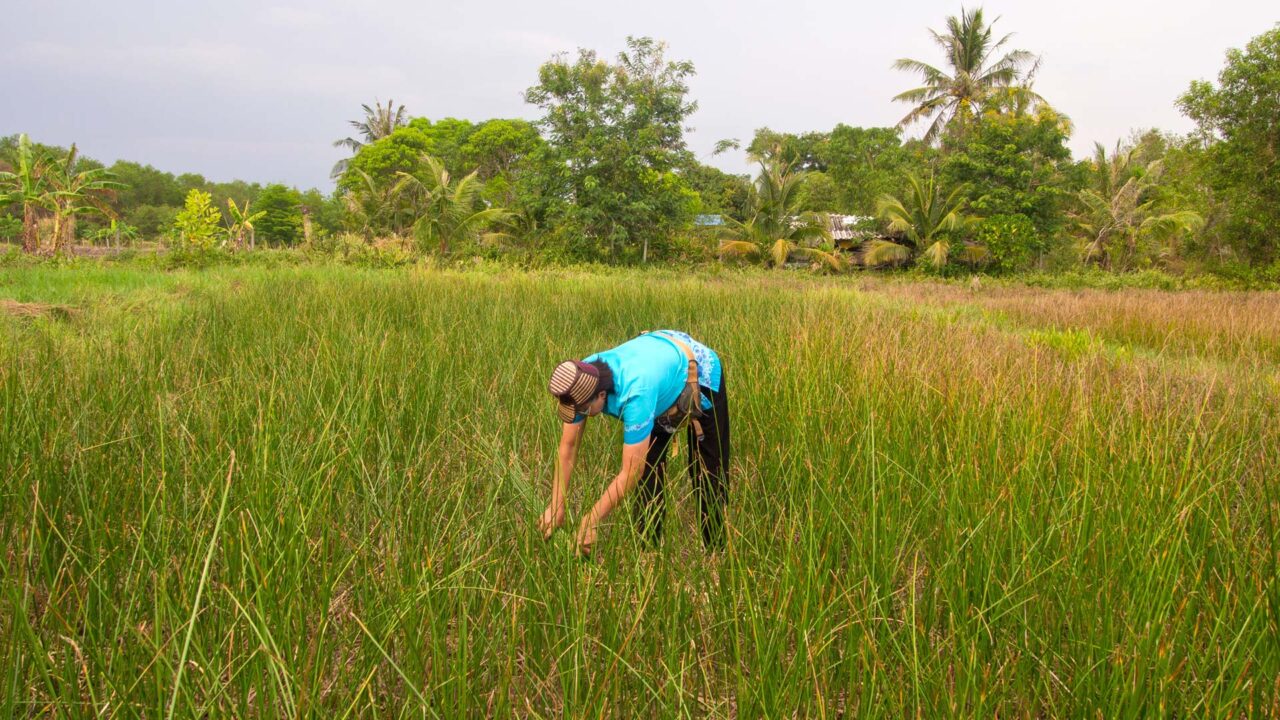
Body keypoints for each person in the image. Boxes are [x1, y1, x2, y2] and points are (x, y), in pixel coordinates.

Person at [539, 330, 730, 556]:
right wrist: (556, 504)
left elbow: (630, 471)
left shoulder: (635, 395)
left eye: (581, 411)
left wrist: (591, 520)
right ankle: (649, 554)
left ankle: (716, 552)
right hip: (656, 369)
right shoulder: (580, 379)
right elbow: (568, 447)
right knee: (649, 474)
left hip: (697, 372)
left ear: (601, 395)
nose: (578, 416)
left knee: (707, 472)